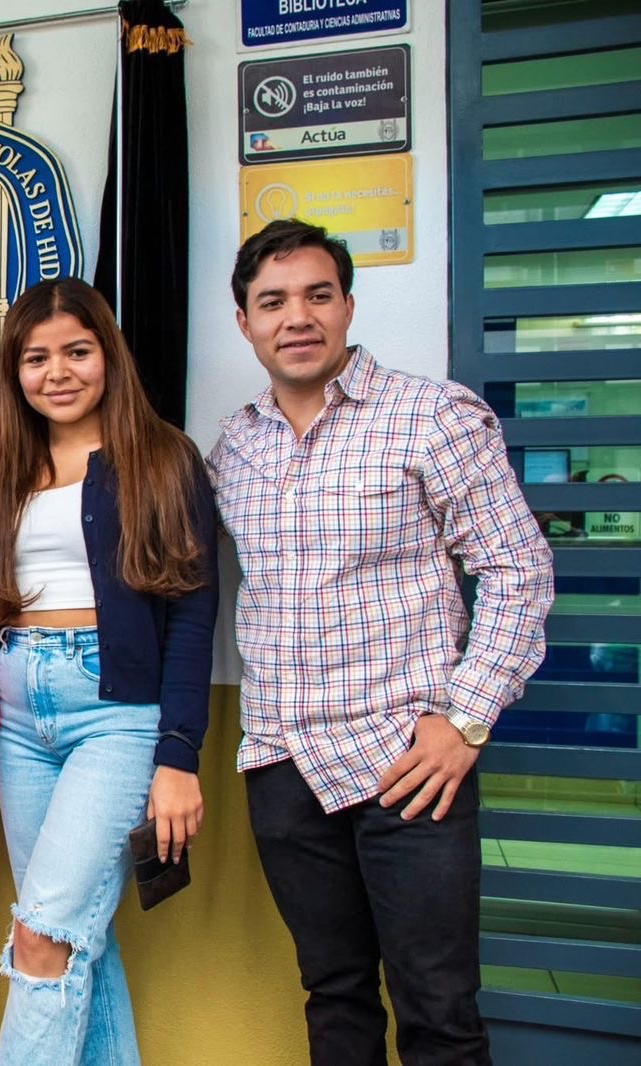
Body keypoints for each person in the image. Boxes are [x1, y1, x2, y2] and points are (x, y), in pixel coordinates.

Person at [208, 219, 554, 1064]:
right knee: (335, 998)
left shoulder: (431, 416)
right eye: (273, 302)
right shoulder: (235, 446)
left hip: (407, 763)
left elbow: (519, 570)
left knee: (438, 1011)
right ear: (244, 321)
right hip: (285, 765)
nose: (297, 317)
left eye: (317, 295)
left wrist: (463, 720)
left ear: (348, 306)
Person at [0, 278, 218, 1065]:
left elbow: (193, 616)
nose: (58, 373)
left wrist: (178, 755)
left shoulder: (163, 458)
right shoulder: (5, 463)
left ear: (108, 354)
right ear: (14, 372)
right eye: (35, 358)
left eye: (77, 352)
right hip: (19, 712)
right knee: (78, 939)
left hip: (116, 713)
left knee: (41, 938)